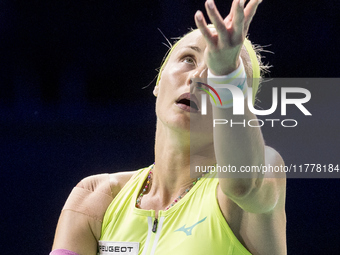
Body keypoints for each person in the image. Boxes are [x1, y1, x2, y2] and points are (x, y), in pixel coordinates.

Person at [51, 0, 286, 254]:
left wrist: (227, 73)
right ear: (158, 82)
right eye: (188, 59)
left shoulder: (264, 171)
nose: (198, 78)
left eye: (218, 74)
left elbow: (243, 183)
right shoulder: (96, 198)